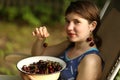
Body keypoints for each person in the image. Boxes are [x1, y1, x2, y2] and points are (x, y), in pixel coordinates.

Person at [21, 0, 104, 80]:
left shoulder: (91, 61)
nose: (69, 27)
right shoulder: (69, 44)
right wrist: (40, 39)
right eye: (67, 21)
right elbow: (38, 55)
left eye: (76, 22)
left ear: (92, 26)